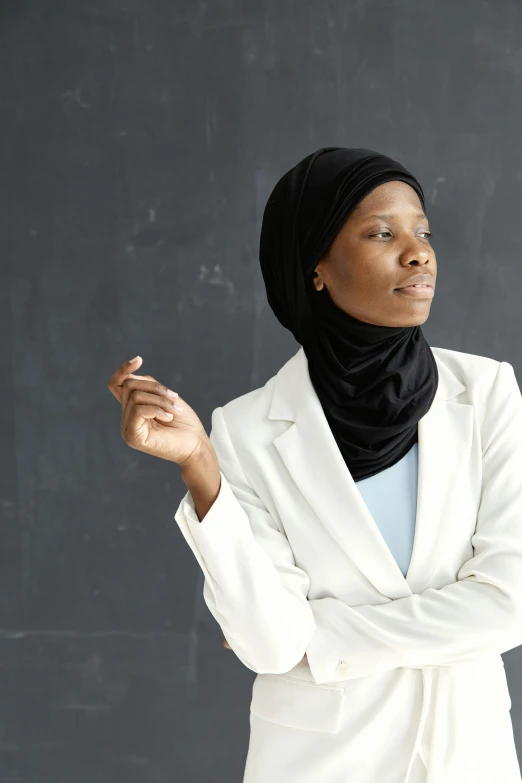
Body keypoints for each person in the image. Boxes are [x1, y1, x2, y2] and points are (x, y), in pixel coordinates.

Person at [108, 148, 522, 783]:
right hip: (320, 765)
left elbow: (507, 604)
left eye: (423, 231)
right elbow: (271, 643)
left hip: (467, 759)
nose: (419, 253)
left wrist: (320, 636)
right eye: (383, 232)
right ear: (316, 268)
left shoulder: (488, 392)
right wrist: (199, 466)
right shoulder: (244, 431)